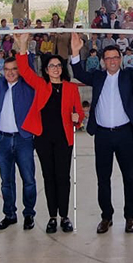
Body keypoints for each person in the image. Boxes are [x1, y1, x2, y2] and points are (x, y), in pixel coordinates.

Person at [70, 30, 133, 234]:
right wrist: (75, 52)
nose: (112, 61)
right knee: (103, 178)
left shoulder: (128, 76)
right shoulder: (97, 77)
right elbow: (78, 73)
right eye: (108, 58)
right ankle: (106, 216)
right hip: (103, 135)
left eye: (115, 57)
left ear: (120, 59)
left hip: (124, 134)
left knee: (129, 177)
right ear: (103, 61)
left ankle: (130, 216)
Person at [15, 35, 83, 233]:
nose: (55, 68)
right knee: (48, 177)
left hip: (64, 139)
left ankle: (64, 216)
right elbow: (25, 71)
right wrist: (22, 47)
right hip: (43, 139)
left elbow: (78, 114)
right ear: (46, 70)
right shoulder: (41, 86)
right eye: (51, 66)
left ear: (62, 69)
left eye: (58, 65)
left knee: (63, 177)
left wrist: (77, 118)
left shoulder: (71, 88)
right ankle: (52, 216)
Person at [0, 45, 38, 230]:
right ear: (2, 71)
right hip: (3, 140)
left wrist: (22, 45)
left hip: (23, 139)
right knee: (6, 181)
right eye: (7, 69)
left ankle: (29, 214)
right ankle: (9, 214)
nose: (11, 73)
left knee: (28, 179)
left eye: (14, 69)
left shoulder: (27, 85)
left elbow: (29, 65)